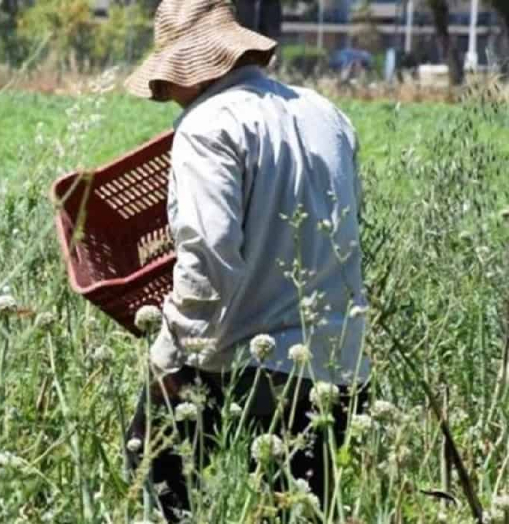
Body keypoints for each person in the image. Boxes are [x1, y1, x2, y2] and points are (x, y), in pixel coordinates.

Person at [121, 0, 370, 521]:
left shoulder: (207, 125)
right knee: (299, 511)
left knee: (153, 464)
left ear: (187, 66)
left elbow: (209, 258)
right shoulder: (327, 114)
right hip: (340, 362)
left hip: (253, 363)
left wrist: (170, 355)